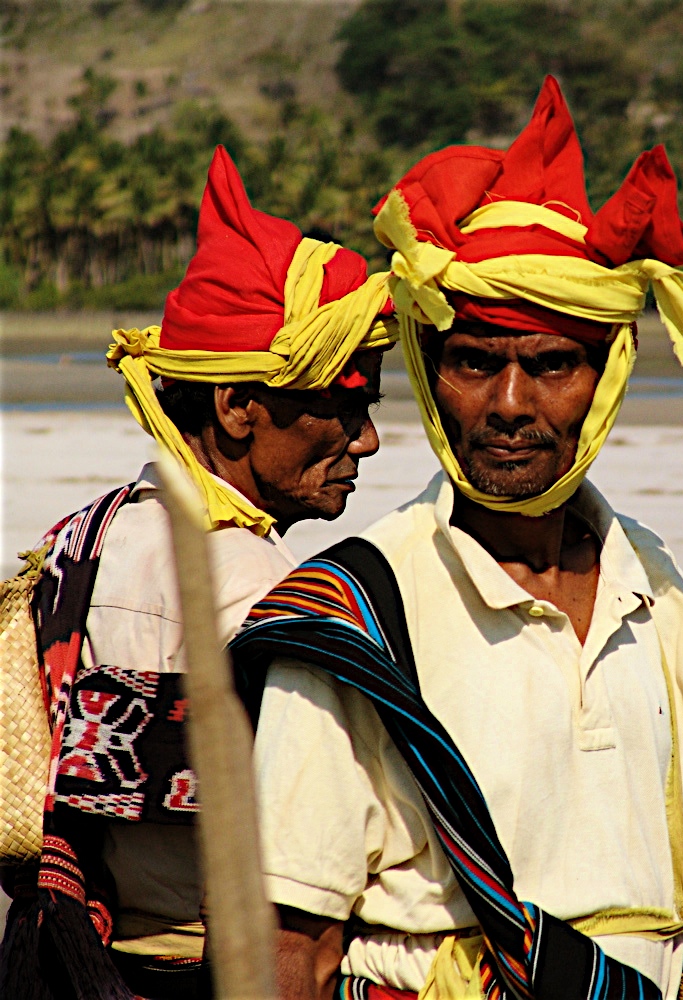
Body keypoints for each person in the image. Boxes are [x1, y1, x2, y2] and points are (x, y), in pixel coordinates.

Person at [232, 77, 683, 1000]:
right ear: (435, 380)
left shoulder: (656, 585)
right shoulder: (356, 612)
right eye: (475, 363)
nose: (509, 406)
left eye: (551, 365)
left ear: (607, 376)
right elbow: (290, 945)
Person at [0, 144, 396, 1000]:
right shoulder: (247, 583)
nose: (366, 439)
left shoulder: (87, 534)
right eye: (343, 402)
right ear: (237, 406)